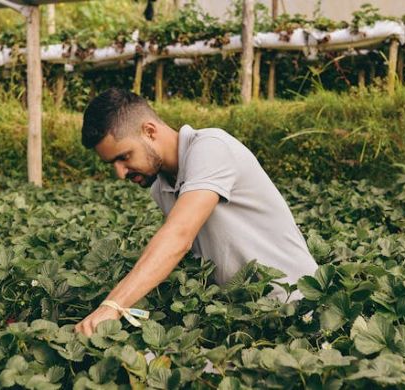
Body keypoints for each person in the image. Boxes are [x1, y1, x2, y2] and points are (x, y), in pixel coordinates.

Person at [75, 88, 317, 336]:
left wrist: (113, 305)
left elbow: (178, 236)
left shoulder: (211, 148)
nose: (120, 173)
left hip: (298, 307)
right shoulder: (161, 188)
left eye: (124, 157)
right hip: (246, 316)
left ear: (149, 131)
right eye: (112, 164)